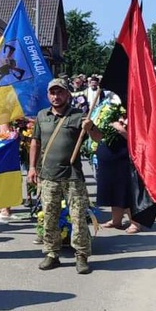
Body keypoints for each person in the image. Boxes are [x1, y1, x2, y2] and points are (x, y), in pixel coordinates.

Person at [28, 78, 102, 275]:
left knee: (78, 218)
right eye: (52, 92)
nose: (56, 96)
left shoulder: (78, 116)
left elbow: (98, 137)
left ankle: (81, 255)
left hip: (72, 177)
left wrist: (91, 127)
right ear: (48, 95)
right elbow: (35, 142)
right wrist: (32, 169)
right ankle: (52, 254)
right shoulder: (42, 116)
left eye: (60, 92)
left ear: (68, 94)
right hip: (48, 176)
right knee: (50, 218)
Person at [93, 98, 141, 233]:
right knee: (114, 190)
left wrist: (121, 129)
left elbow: (138, 139)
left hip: (125, 157)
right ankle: (116, 220)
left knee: (126, 190)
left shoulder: (135, 114)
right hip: (109, 157)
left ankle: (135, 222)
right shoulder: (109, 111)